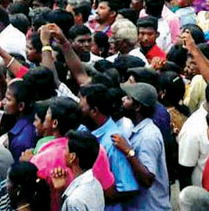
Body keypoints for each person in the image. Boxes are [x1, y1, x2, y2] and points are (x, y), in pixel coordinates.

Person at [111, 82, 170, 211]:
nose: (123, 100)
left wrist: (128, 151)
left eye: (127, 98)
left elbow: (147, 179)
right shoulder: (136, 128)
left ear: (137, 106)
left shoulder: (148, 136)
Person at [50, 131, 105, 211]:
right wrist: (61, 190)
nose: (64, 153)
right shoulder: (96, 184)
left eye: (66, 149)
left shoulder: (74, 201)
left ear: (72, 157)